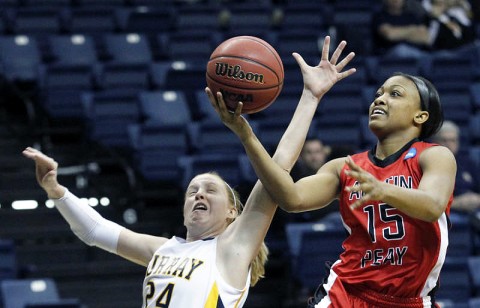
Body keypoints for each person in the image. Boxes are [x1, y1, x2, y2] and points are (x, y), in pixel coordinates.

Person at [23, 37, 356, 308]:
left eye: (211, 190)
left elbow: (280, 163)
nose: (199, 193)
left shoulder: (233, 247)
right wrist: (56, 190)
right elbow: (95, 231)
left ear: (231, 212)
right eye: (193, 190)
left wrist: (309, 96)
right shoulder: (163, 250)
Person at [212, 43, 456, 306]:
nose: (380, 99)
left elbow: (432, 206)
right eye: (378, 93)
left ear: (421, 116)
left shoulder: (433, 156)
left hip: (409, 299)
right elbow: (291, 197)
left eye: (395, 94)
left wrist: (383, 190)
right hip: (346, 293)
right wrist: (246, 135)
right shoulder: (345, 166)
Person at [432, 120, 480, 213]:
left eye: (453, 140)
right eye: (444, 140)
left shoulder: (468, 162)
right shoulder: (429, 163)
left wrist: (476, 199)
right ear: (436, 142)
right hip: (445, 211)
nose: (449, 144)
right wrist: (455, 203)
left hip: (474, 209)